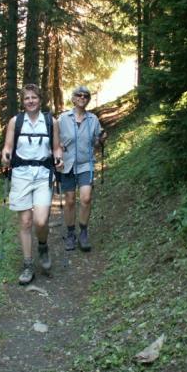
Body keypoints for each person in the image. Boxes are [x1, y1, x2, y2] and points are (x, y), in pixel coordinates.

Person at [1, 84, 63, 285]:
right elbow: (8, 147)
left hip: (43, 174)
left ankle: (43, 245)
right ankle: (28, 265)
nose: (30, 101)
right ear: (23, 101)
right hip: (21, 175)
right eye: (26, 98)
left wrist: (59, 158)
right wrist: (5, 156)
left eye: (33, 97)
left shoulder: (50, 121)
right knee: (26, 222)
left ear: (40, 99)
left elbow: (56, 148)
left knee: (41, 221)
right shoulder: (15, 121)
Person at [57, 86, 107, 252]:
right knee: (70, 201)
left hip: (86, 164)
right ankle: (71, 233)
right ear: (73, 98)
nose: (82, 98)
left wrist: (101, 139)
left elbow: (97, 141)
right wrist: (57, 149)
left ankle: (83, 232)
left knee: (86, 198)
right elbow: (55, 140)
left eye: (85, 96)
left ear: (88, 100)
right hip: (67, 164)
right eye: (78, 95)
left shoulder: (93, 119)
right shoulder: (63, 118)